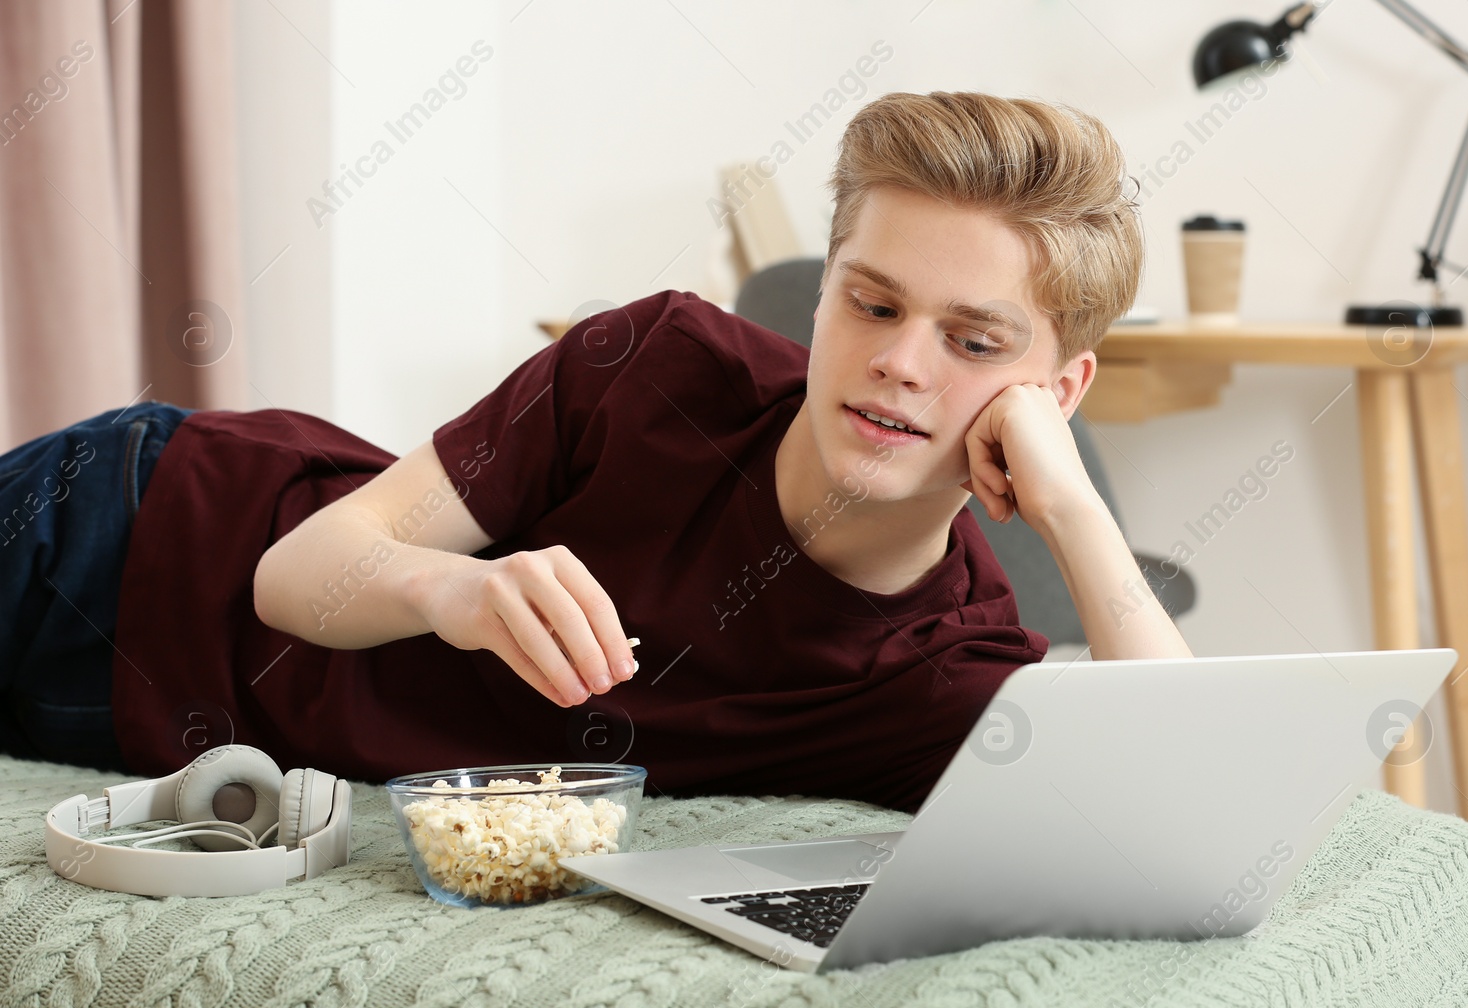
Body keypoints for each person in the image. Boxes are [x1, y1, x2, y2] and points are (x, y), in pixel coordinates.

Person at [0, 90, 1190, 812]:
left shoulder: (948, 668)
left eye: (973, 340)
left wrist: (1076, 511)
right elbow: (297, 576)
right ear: (821, 299)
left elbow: (1180, 803)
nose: (902, 363)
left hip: (143, 744)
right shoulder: (657, 365)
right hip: (119, 532)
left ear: (1055, 386)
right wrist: (449, 587)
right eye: (870, 305)